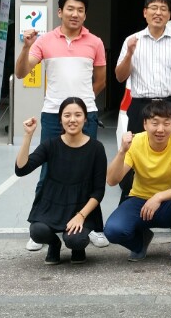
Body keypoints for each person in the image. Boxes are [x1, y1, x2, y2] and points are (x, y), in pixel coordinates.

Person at [14, 0, 107, 252]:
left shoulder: (95, 42)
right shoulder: (44, 41)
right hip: (53, 116)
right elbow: (21, 73)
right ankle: (39, 225)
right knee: (47, 171)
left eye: (80, 10)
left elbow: (101, 80)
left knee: (89, 172)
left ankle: (93, 227)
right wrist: (26, 47)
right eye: (70, 9)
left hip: (86, 116)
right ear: (60, 12)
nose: (75, 14)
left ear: (85, 15)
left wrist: (80, 108)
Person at [104, 100, 171, 270]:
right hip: (140, 201)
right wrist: (122, 151)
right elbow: (112, 180)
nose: (160, 129)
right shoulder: (135, 143)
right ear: (145, 124)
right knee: (113, 230)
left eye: (166, 123)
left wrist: (159, 197)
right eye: (155, 123)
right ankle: (140, 243)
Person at [114, 0, 171, 202]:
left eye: (163, 9)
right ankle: (130, 201)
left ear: (169, 14)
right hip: (141, 106)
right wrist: (129, 53)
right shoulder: (132, 40)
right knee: (134, 153)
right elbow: (120, 76)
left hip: (170, 106)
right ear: (145, 12)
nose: (158, 12)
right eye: (154, 8)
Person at [14, 97, 107, 265]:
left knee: (75, 240)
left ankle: (78, 249)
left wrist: (80, 216)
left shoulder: (96, 148)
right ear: (60, 119)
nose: (72, 120)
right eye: (67, 115)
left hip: (81, 207)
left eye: (78, 115)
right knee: (37, 231)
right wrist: (28, 136)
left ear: (85, 119)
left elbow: (99, 191)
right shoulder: (50, 145)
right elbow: (21, 169)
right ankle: (54, 245)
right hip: (52, 205)